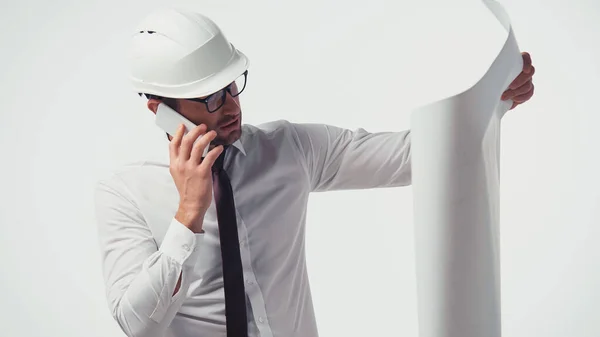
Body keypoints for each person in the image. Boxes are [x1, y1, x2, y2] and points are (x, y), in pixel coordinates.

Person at [93, 8, 536, 337]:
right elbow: (137, 324)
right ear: (159, 108)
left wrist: (492, 102)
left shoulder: (291, 150)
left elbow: (414, 154)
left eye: (231, 85)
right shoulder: (125, 194)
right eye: (209, 97)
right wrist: (187, 215)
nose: (231, 106)